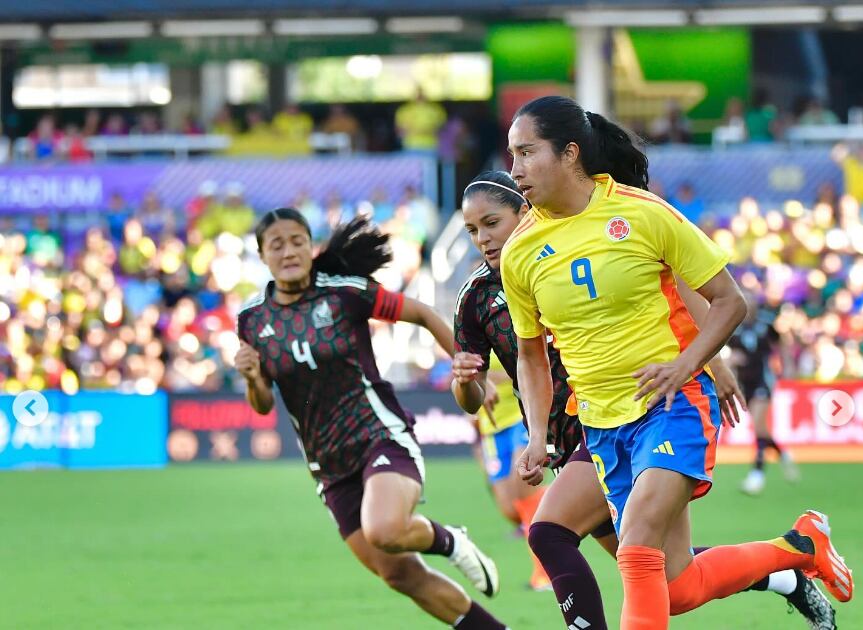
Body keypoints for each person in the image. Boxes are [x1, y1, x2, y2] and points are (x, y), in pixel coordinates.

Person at [500, 96, 853, 629]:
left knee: (637, 539)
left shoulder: (642, 213)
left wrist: (691, 364)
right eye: (512, 155)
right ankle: (798, 546)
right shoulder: (520, 251)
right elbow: (530, 354)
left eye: (527, 153)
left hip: (672, 405)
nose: (515, 169)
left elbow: (729, 300)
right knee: (677, 586)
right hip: (600, 425)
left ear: (570, 153)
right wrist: (534, 437)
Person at [235, 209, 507, 629]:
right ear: (261, 256)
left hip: (380, 435)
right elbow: (263, 405)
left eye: (297, 240)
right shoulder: (252, 320)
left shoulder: (345, 293)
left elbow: (422, 314)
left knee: (384, 529)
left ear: (312, 247)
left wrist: (469, 367)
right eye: (277, 244)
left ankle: (451, 540)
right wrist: (253, 378)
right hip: (327, 465)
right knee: (399, 574)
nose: (289, 251)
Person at [468, 352, 551, 591]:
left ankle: (544, 574)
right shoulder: (467, 331)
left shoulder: (508, 324)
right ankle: (560, 508)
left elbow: (529, 366)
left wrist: (485, 379)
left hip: (521, 416)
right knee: (509, 507)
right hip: (492, 425)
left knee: (522, 487)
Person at [730, 291, 799, 495]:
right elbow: (725, 351)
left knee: (759, 426)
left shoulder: (766, 324)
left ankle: (757, 475)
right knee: (761, 430)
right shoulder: (734, 326)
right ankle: (783, 454)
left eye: (751, 303)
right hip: (745, 383)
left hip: (763, 380)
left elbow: (782, 344)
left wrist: (788, 365)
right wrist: (731, 360)